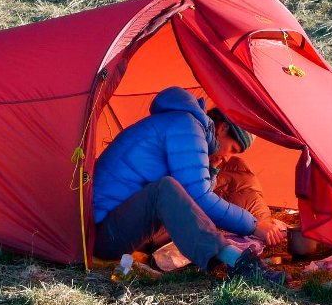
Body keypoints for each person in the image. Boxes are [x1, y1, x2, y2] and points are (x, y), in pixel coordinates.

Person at [92, 86, 286, 283]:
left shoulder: (186, 125)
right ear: (223, 128)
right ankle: (238, 262)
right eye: (232, 149)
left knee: (179, 199)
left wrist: (212, 170)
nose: (228, 157)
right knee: (165, 189)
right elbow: (199, 197)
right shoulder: (187, 127)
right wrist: (254, 226)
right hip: (103, 235)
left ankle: (213, 255)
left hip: (119, 226)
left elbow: (189, 197)